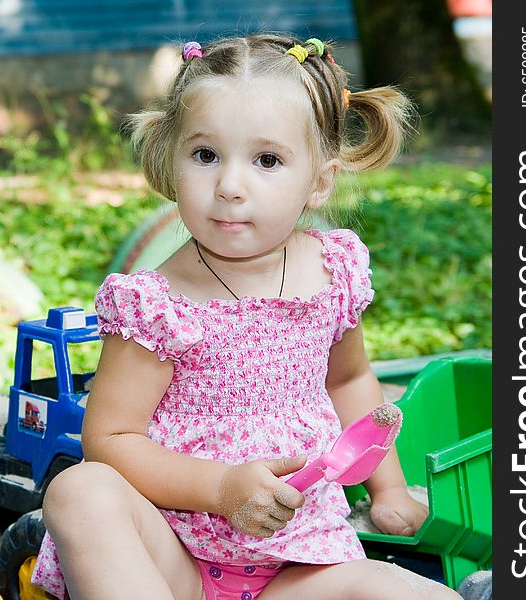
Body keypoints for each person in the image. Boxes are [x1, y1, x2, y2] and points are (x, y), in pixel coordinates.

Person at [31, 33, 461, 600]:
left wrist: (390, 488)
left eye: (267, 160)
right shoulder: (157, 306)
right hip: (170, 559)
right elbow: (110, 438)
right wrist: (220, 487)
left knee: (422, 595)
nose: (230, 187)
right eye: (206, 155)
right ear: (169, 156)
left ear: (319, 180)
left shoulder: (334, 273)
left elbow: (350, 380)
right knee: (77, 490)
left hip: (302, 567)